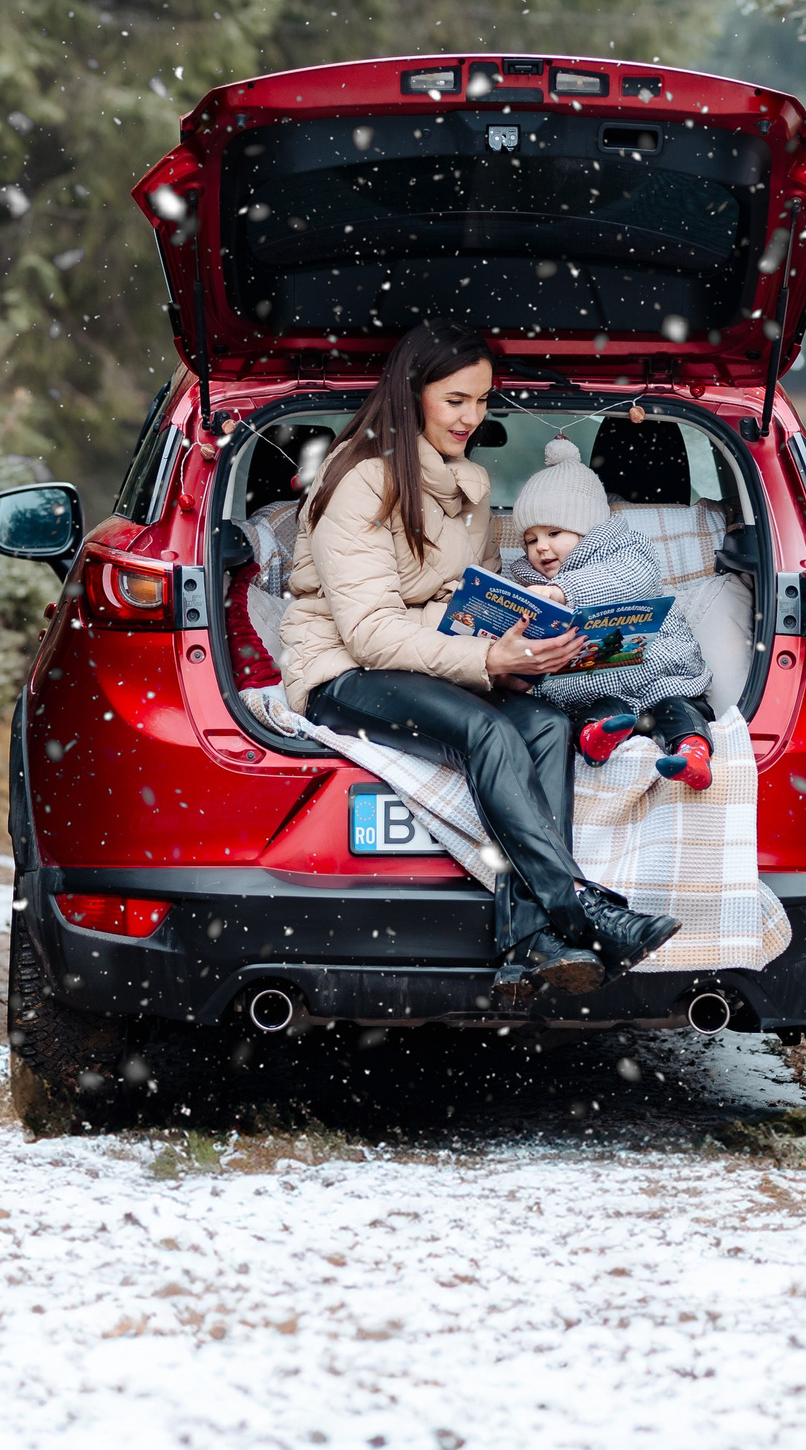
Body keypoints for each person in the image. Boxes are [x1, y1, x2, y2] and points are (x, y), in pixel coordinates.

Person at [275, 324, 682, 1004]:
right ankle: (578, 908)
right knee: (487, 731)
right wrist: (487, 657)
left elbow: (473, 603)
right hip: (341, 670)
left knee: (546, 723)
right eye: (456, 399)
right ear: (412, 394)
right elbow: (369, 633)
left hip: (431, 662)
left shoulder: (470, 487)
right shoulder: (360, 480)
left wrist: (522, 652)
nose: (473, 417)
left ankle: (531, 945)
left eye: (484, 400)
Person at [507, 438, 719, 789]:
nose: (541, 547)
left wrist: (562, 592)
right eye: (531, 540)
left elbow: (626, 580)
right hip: (589, 690)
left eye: (554, 533)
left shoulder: (627, 550)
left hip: (658, 672)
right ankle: (596, 737)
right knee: (599, 712)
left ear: (587, 530)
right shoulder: (527, 583)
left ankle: (692, 753)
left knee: (680, 709)